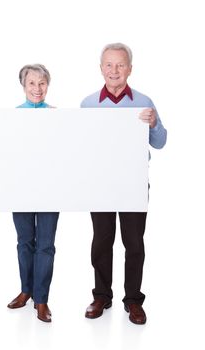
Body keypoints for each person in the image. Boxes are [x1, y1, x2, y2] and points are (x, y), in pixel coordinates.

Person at [81, 43, 167, 325]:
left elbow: (161, 142)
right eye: (109, 64)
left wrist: (153, 123)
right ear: (101, 68)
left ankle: (133, 300)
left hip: (133, 183)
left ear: (130, 68)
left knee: (134, 244)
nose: (114, 70)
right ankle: (102, 295)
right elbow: (79, 145)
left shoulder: (143, 101)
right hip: (100, 185)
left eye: (120, 65)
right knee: (101, 242)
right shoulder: (88, 104)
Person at [0, 64, 59, 323]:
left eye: (42, 83)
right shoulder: (10, 117)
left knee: (46, 246)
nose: (37, 89)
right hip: (20, 188)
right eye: (32, 84)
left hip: (50, 189)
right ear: (23, 86)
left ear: (48, 85)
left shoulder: (57, 116)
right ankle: (26, 291)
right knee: (25, 242)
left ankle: (41, 300)